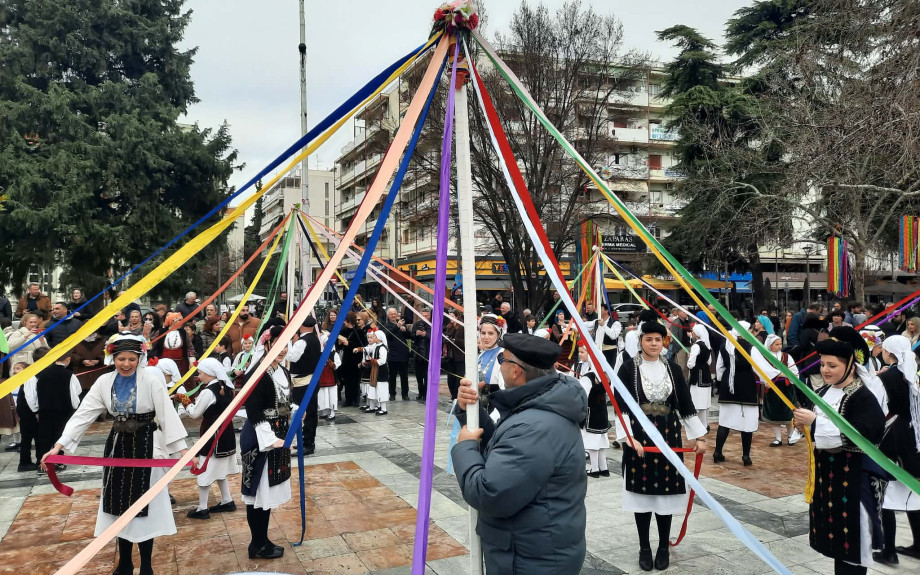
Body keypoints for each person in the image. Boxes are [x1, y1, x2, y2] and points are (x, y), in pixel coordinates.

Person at [40, 334, 189, 575]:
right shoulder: (104, 382)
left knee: (144, 505)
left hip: (146, 444)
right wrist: (58, 446)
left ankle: (147, 565)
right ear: (113, 357)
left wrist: (182, 450)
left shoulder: (151, 380)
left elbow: (166, 414)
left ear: (140, 358)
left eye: (131, 358)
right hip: (117, 447)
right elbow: (83, 414)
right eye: (121, 359)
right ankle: (125, 563)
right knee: (118, 503)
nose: (126, 364)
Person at [451, 333, 588, 574]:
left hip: (531, 559)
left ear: (515, 371)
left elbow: (491, 493)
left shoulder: (535, 427)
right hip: (532, 549)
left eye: (502, 359)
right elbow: (506, 449)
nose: (499, 364)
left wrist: (465, 447)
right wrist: (470, 413)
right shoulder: (541, 403)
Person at [615, 320, 707, 571]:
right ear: (641, 341)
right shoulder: (627, 369)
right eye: (649, 340)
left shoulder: (674, 369)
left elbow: (685, 406)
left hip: (668, 435)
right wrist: (627, 437)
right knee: (641, 496)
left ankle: (663, 548)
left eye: (658, 340)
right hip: (639, 435)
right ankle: (644, 547)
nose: (654, 344)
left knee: (665, 495)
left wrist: (698, 437)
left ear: (663, 341)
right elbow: (620, 406)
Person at [792, 337, 885, 575]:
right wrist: (802, 424)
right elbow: (817, 426)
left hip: (853, 482)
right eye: (822, 364)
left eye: (832, 365)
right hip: (828, 481)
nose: (825, 370)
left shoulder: (862, 397)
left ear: (850, 366)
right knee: (837, 546)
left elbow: (865, 436)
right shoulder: (823, 391)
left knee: (853, 548)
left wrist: (814, 424)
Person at [239, 327, 292, 560]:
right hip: (261, 438)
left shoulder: (283, 371)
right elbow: (253, 410)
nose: (281, 350)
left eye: (286, 345)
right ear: (266, 344)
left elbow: (285, 402)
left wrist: (294, 416)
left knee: (267, 493)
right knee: (257, 493)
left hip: (278, 437)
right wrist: (271, 439)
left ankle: (262, 539)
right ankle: (256, 543)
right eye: (277, 345)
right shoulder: (257, 373)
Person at [874, 335, 920, 564]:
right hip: (914, 436)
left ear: (888, 352)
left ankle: (888, 550)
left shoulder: (888, 377)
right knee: (913, 491)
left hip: (893, 436)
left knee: (888, 495)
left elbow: (878, 408)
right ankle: (919, 545)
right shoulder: (913, 374)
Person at [177, 358, 240, 520]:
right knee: (219, 469)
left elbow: (194, 413)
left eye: (200, 372)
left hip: (213, 433)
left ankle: (202, 508)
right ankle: (227, 500)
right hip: (226, 431)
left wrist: (184, 400)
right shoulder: (226, 387)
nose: (199, 376)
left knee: (205, 468)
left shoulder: (208, 391)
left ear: (209, 373)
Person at [24, 348, 81, 473]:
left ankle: (42, 463)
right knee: (59, 436)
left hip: (45, 410)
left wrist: (36, 410)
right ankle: (58, 462)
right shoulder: (69, 375)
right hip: (63, 410)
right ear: (68, 359)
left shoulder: (41, 374)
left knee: (44, 437)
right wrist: (75, 408)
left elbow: (33, 395)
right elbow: (75, 393)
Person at [713, 321, 759, 465]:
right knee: (747, 421)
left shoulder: (725, 345)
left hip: (728, 384)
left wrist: (723, 382)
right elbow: (759, 368)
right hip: (746, 384)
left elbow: (719, 367)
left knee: (724, 421)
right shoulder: (751, 347)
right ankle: (746, 456)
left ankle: (717, 452)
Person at [753, 334, 801, 447]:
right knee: (774, 413)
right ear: (770, 345)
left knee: (789, 413)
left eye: (780, 344)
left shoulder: (786, 356)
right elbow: (761, 372)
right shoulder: (764, 358)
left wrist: (786, 375)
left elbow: (794, 371)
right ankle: (778, 438)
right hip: (772, 389)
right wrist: (766, 380)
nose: (780, 346)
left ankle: (790, 436)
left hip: (786, 388)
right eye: (777, 344)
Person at [575, 346, 610, 478]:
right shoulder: (605, 375)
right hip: (602, 411)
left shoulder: (588, 376)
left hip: (591, 413)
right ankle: (604, 468)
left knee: (592, 441)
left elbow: (583, 396)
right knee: (600, 439)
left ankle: (594, 469)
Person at [288, 316, 321, 454]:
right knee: (309, 413)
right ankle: (306, 441)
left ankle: (307, 443)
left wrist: (289, 343)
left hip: (303, 382)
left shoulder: (302, 341)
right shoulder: (315, 339)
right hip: (311, 381)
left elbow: (292, 357)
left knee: (304, 414)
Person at [687, 323, 713, 430]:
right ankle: (704, 424)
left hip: (697, 377)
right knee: (705, 403)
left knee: (696, 402)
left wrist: (691, 359)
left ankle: (697, 426)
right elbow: (709, 361)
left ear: (696, 334)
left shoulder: (696, 346)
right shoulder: (707, 346)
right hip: (706, 375)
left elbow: (690, 364)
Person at [336, 312, 365, 408]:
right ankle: (348, 400)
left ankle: (356, 400)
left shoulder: (359, 331)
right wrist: (340, 342)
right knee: (347, 380)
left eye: (345, 320)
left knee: (355, 380)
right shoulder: (343, 331)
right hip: (346, 358)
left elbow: (362, 345)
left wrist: (349, 343)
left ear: (348, 321)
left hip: (356, 358)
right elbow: (338, 345)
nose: (343, 322)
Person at [383, 307, 411, 401]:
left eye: (395, 313)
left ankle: (405, 394)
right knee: (392, 376)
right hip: (393, 355)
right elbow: (388, 335)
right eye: (391, 314)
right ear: (388, 315)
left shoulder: (401, 323)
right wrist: (397, 326)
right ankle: (392, 394)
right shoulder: (386, 325)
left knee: (404, 376)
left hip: (403, 354)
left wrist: (405, 330)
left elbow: (409, 336)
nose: (394, 315)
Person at [362, 328, 389, 415]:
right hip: (375, 370)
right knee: (373, 387)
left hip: (381, 370)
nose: (372, 338)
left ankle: (384, 409)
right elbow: (368, 349)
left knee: (381, 388)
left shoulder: (382, 348)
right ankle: (373, 406)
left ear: (378, 338)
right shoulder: (376, 346)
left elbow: (382, 360)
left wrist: (373, 360)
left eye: (374, 336)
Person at [71, 329, 107, 394]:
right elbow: (71, 354)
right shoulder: (75, 340)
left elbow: (107, 353)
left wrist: (99, 360)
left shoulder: (103, 340)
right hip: (81, 375)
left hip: (98, 374)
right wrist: (81, 361)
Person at [443, 309, 465, 400]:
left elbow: (464, 342)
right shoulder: (449, 327)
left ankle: (457, 396)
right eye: (449, 316)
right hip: (450, 356)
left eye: (452, 316)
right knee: (450, 378)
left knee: (458, 378)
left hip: (459, 356)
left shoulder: (462, 327)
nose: (450, 318)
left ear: (457, 317)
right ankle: (453, 396)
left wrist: (455, 341)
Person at [411, 310, 431, 401]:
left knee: (427, 376)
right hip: (418, 353)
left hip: (428, 354)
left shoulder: (432, 325)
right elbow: (411, 337)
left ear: (429, 316)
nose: (424, 317)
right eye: (422, 315)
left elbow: (435, 338)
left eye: (426, 315)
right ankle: (420, 392)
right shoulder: (417, 324)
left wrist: (425, 334)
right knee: (419, 376)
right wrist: (416, 334)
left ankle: (426, 394)